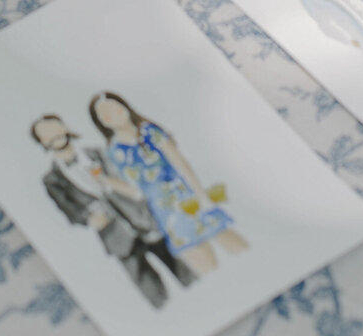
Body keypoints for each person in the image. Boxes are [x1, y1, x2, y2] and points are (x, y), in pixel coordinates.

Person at [30, 113, 195, 308]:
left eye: (55, 128)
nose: (54, 136)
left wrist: (110, 182)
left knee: (183, 268)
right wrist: (89, 218)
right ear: (41, 141)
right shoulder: (52, 180)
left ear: (65, 127)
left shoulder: (97, 152)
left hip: (143, 220)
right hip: (115, 236)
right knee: (148, 286)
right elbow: (70, 211)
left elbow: (130, 182)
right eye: (46, 134)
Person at [88, 92, 248, 277]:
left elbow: (180, 163)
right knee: (209, 269)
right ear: (101, 122)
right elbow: (137, 191)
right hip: (166, 216)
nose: (113, 114)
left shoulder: (148, 131)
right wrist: (104, 181)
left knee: (232, 243)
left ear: (125, 107)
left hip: (188, 199)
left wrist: (202, 196)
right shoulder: (115, 151)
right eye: (105, 114)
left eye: (116, 107)